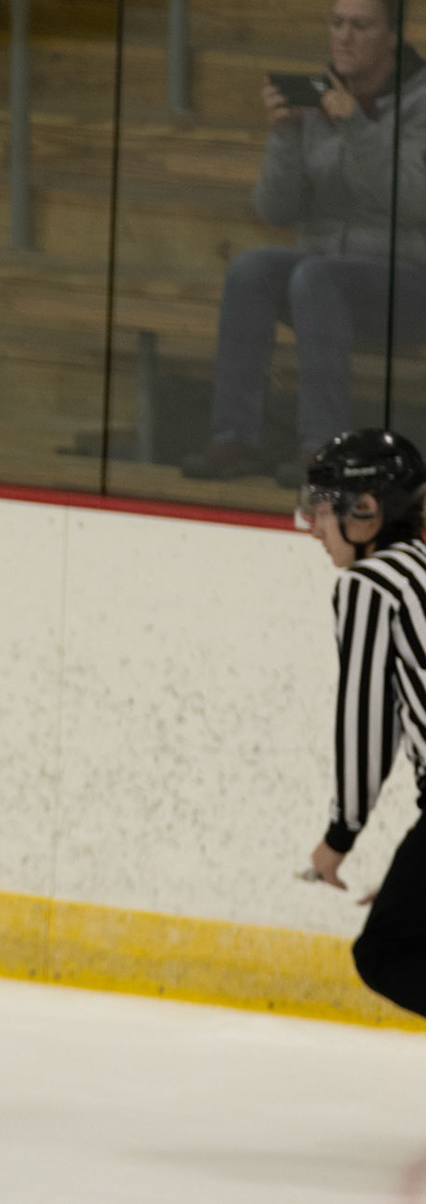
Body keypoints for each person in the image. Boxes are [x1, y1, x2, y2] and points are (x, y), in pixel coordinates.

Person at [182, 0, 426, 488]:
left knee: (316, 277)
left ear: (392, 35)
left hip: (408, 280)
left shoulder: (421, 102)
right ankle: (234, 439)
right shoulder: (317, 95)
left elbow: (415, 202)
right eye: (336, 22)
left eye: (360, 25)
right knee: (251, 268)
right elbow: (276, 211)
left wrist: (356, 126)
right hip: (327, 281)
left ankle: (324, 448)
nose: (343, 37)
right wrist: (287, 135)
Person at [297, 429, 426, 1020]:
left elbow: (366, 726)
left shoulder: (370, 585)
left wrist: (339, 838)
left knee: (384, 953)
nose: (313, 526)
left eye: (323, 508)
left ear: (367, 510)